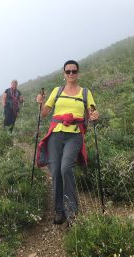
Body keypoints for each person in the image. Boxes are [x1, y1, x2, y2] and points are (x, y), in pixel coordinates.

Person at [36, 60, 99, 226]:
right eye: (68, 71)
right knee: (56, 171)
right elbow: (44, 114)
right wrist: (41, 102)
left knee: (66, 168)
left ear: (78, 73)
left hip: (74, 135)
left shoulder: (85, 93)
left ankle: (72, 211)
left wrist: (93, 116)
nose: (71, 74)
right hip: (56, 134)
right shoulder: (57, 91)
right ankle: (59, 210)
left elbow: (91, 112)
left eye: (74, 71)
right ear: (64, 74)